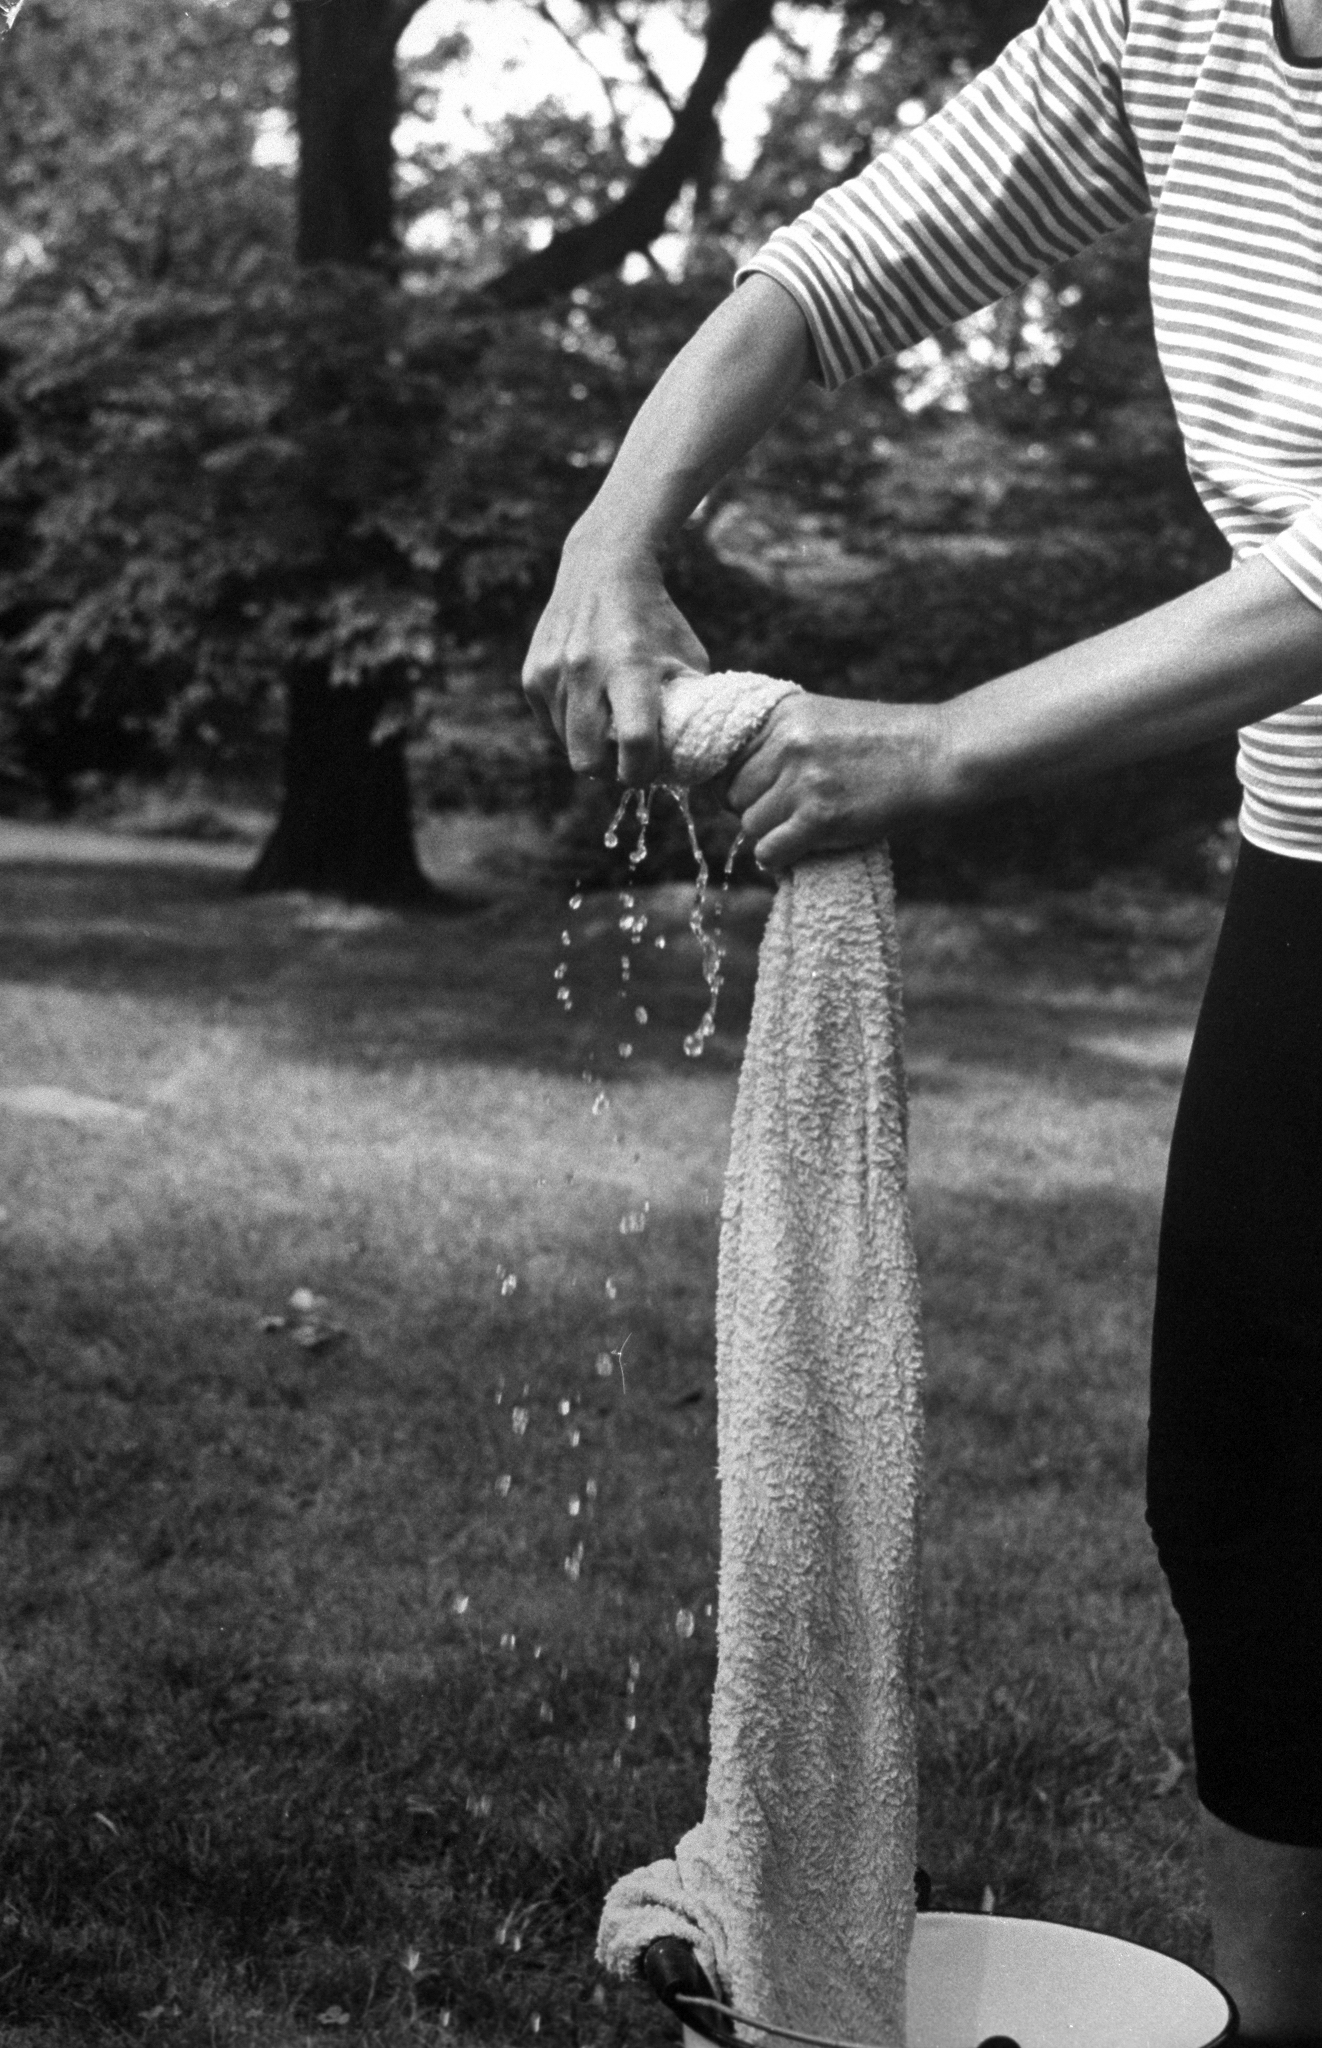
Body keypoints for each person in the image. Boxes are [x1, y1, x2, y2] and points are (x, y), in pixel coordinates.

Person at [524, 0, 1322, 2036]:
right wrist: (621, 524)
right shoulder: (1178, 18)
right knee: (1251, 1490)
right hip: (1315, 855)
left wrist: (948, 746)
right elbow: (845, 258)